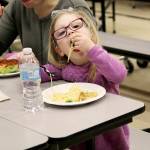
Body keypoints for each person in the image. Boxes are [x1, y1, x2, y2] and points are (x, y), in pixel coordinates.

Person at [40, 8, 129, 150]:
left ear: (91, 35)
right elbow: (39, 75)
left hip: (109, 140)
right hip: (78, 136)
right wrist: (26, 66)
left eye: (76, 26)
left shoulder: (101, 65)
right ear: (59, 50)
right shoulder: (63, 68)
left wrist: (91, 48)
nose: (70, 32)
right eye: (62, 33)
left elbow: (119, 74)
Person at [0, 0, 94, 64]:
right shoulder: (17, 6)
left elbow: (91, 62)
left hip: (73, 88)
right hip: (35, 87)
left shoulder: (75, 7)